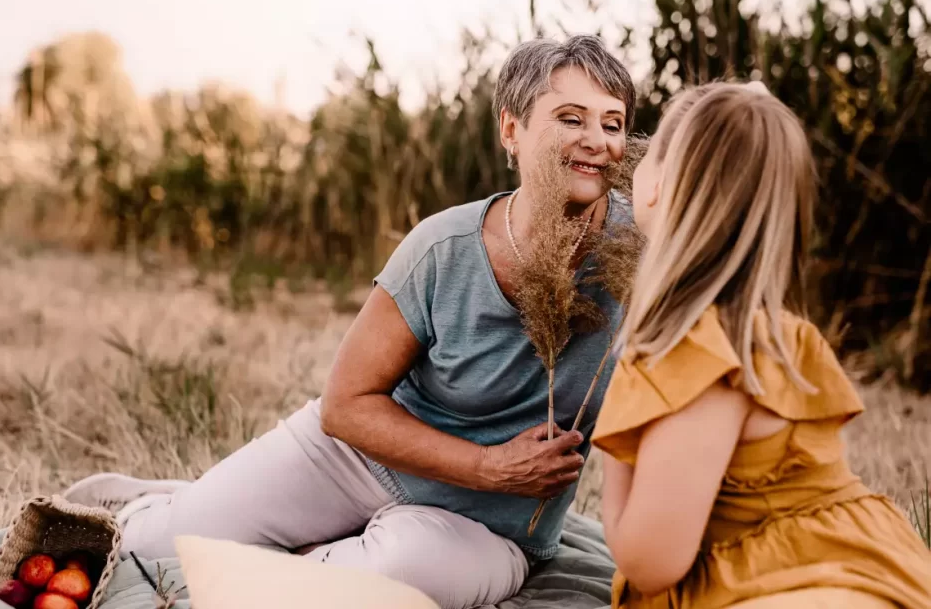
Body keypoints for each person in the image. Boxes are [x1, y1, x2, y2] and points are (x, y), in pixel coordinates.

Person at [62, 34, 637, 609]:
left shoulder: (642, 255)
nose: (596, 140)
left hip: (486, 528)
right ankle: (162, 508)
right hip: (360, 462)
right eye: (571, 118)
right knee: (152, 548)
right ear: (512, 129)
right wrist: (489, 466)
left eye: (612, 124)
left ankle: (316, 552)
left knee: (385, 577)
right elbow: (346, 406)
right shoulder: (443, 247)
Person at [589, 81, 931, 608]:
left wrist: (618, 441)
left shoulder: (701, 353)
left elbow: (650, 560)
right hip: (847, 563)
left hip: (807, 588)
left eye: (651, 148)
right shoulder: (767, 333)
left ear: (658, 186)